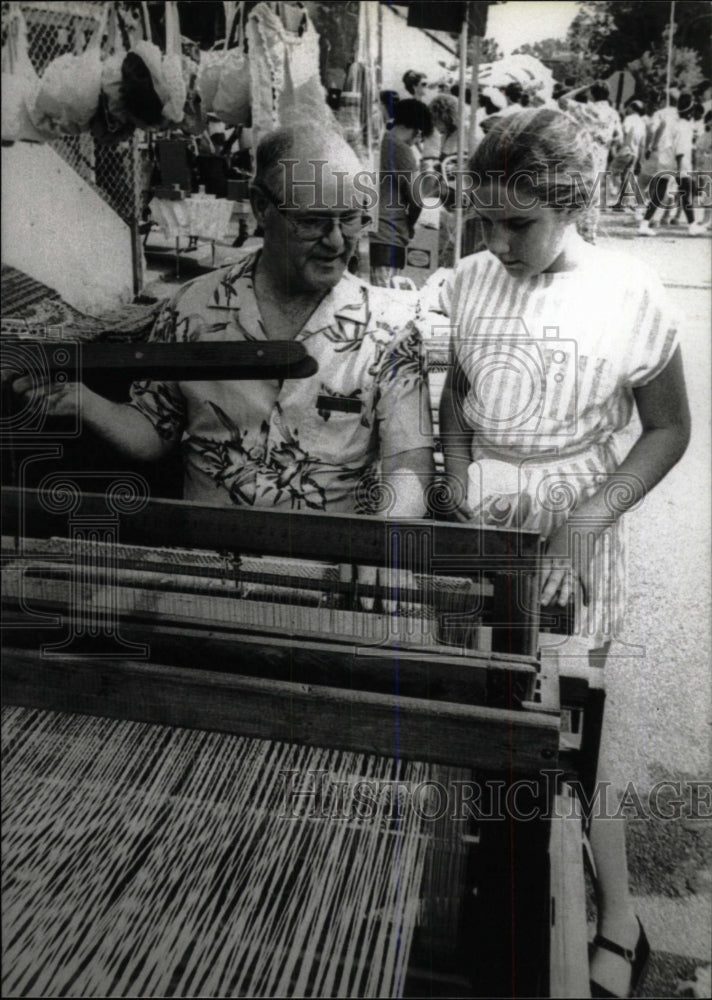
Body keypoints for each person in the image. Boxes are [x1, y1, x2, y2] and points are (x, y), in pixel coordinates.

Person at [439, 108, 690, 998]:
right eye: (486, 220)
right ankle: (496, 902)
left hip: (572, 536)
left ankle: (617, 912)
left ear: (572, 203)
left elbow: (667, 430)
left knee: (578, 728)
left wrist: (589, 517)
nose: (499, 242)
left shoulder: (630, 294)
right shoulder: (468, 280)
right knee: (489, 716)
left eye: (521, 224)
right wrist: (462, 475)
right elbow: (458, 396)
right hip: (484, 533)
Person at [10, 126, 434, 519]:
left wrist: (383, 540)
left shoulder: (389, 331)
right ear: (260, 207)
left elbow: (408, 464)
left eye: (352, 218)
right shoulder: (193, 308)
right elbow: (154, 431)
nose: (338, 240)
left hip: (331, 573)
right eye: (313, 221)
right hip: (210, 565)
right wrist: (82, 401)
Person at [369, 98, 434, 287]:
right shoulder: (401, 149)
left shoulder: (377, 141)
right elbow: (417, 198)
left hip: (371, 231)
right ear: (418, 131)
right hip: (389, 234)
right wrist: (411, 226)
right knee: (386, 300)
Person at [559, 81, 623, 242]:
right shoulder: (613, 114)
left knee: (575, 199)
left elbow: (562, 100)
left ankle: (574, 239)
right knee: (593, 201)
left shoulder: (585, 109)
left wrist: (582, 86)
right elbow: (619, 138)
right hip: (599, 162)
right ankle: (589, 237)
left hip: (580, 160)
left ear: (591, 93)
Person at [639, 92, 705, 236]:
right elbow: (681, 150)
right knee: (686, 194)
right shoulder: (685, 126)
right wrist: (681, 171)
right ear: (690, 109)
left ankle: (644, 223)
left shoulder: (673, 122)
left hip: (666, 160)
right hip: (678, 163)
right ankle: (692, 226)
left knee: (659, 194)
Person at [611, 99, 647, 211]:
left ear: (632, 108)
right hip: (634, 154)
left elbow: (623, 133)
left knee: (611, 173)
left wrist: (615, 149)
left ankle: (617, 199)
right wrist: (640, 160)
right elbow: (642, 144)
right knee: (626, 177)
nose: (627, 109)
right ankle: (624, 202)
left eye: (628, 107)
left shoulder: (629, 119)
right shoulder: (642, 123)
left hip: (625, 150)